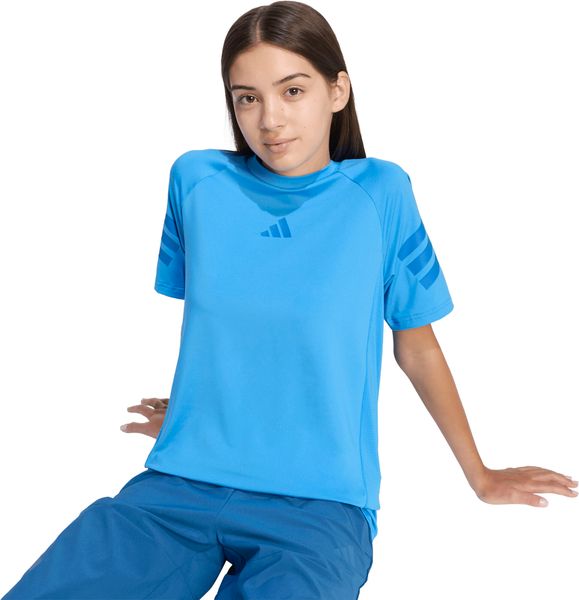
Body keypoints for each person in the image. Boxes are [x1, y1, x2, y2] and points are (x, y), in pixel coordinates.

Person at [3, 1, 577, 599]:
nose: (270, 119)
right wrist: (204, 412)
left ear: (337, 91)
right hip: (178, 485)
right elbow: (236, 325)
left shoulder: (381, 193)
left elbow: (417, 347)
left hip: (319, 508)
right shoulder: (195, 181)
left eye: (293, 90)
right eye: (247, 97)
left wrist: (479, 475)